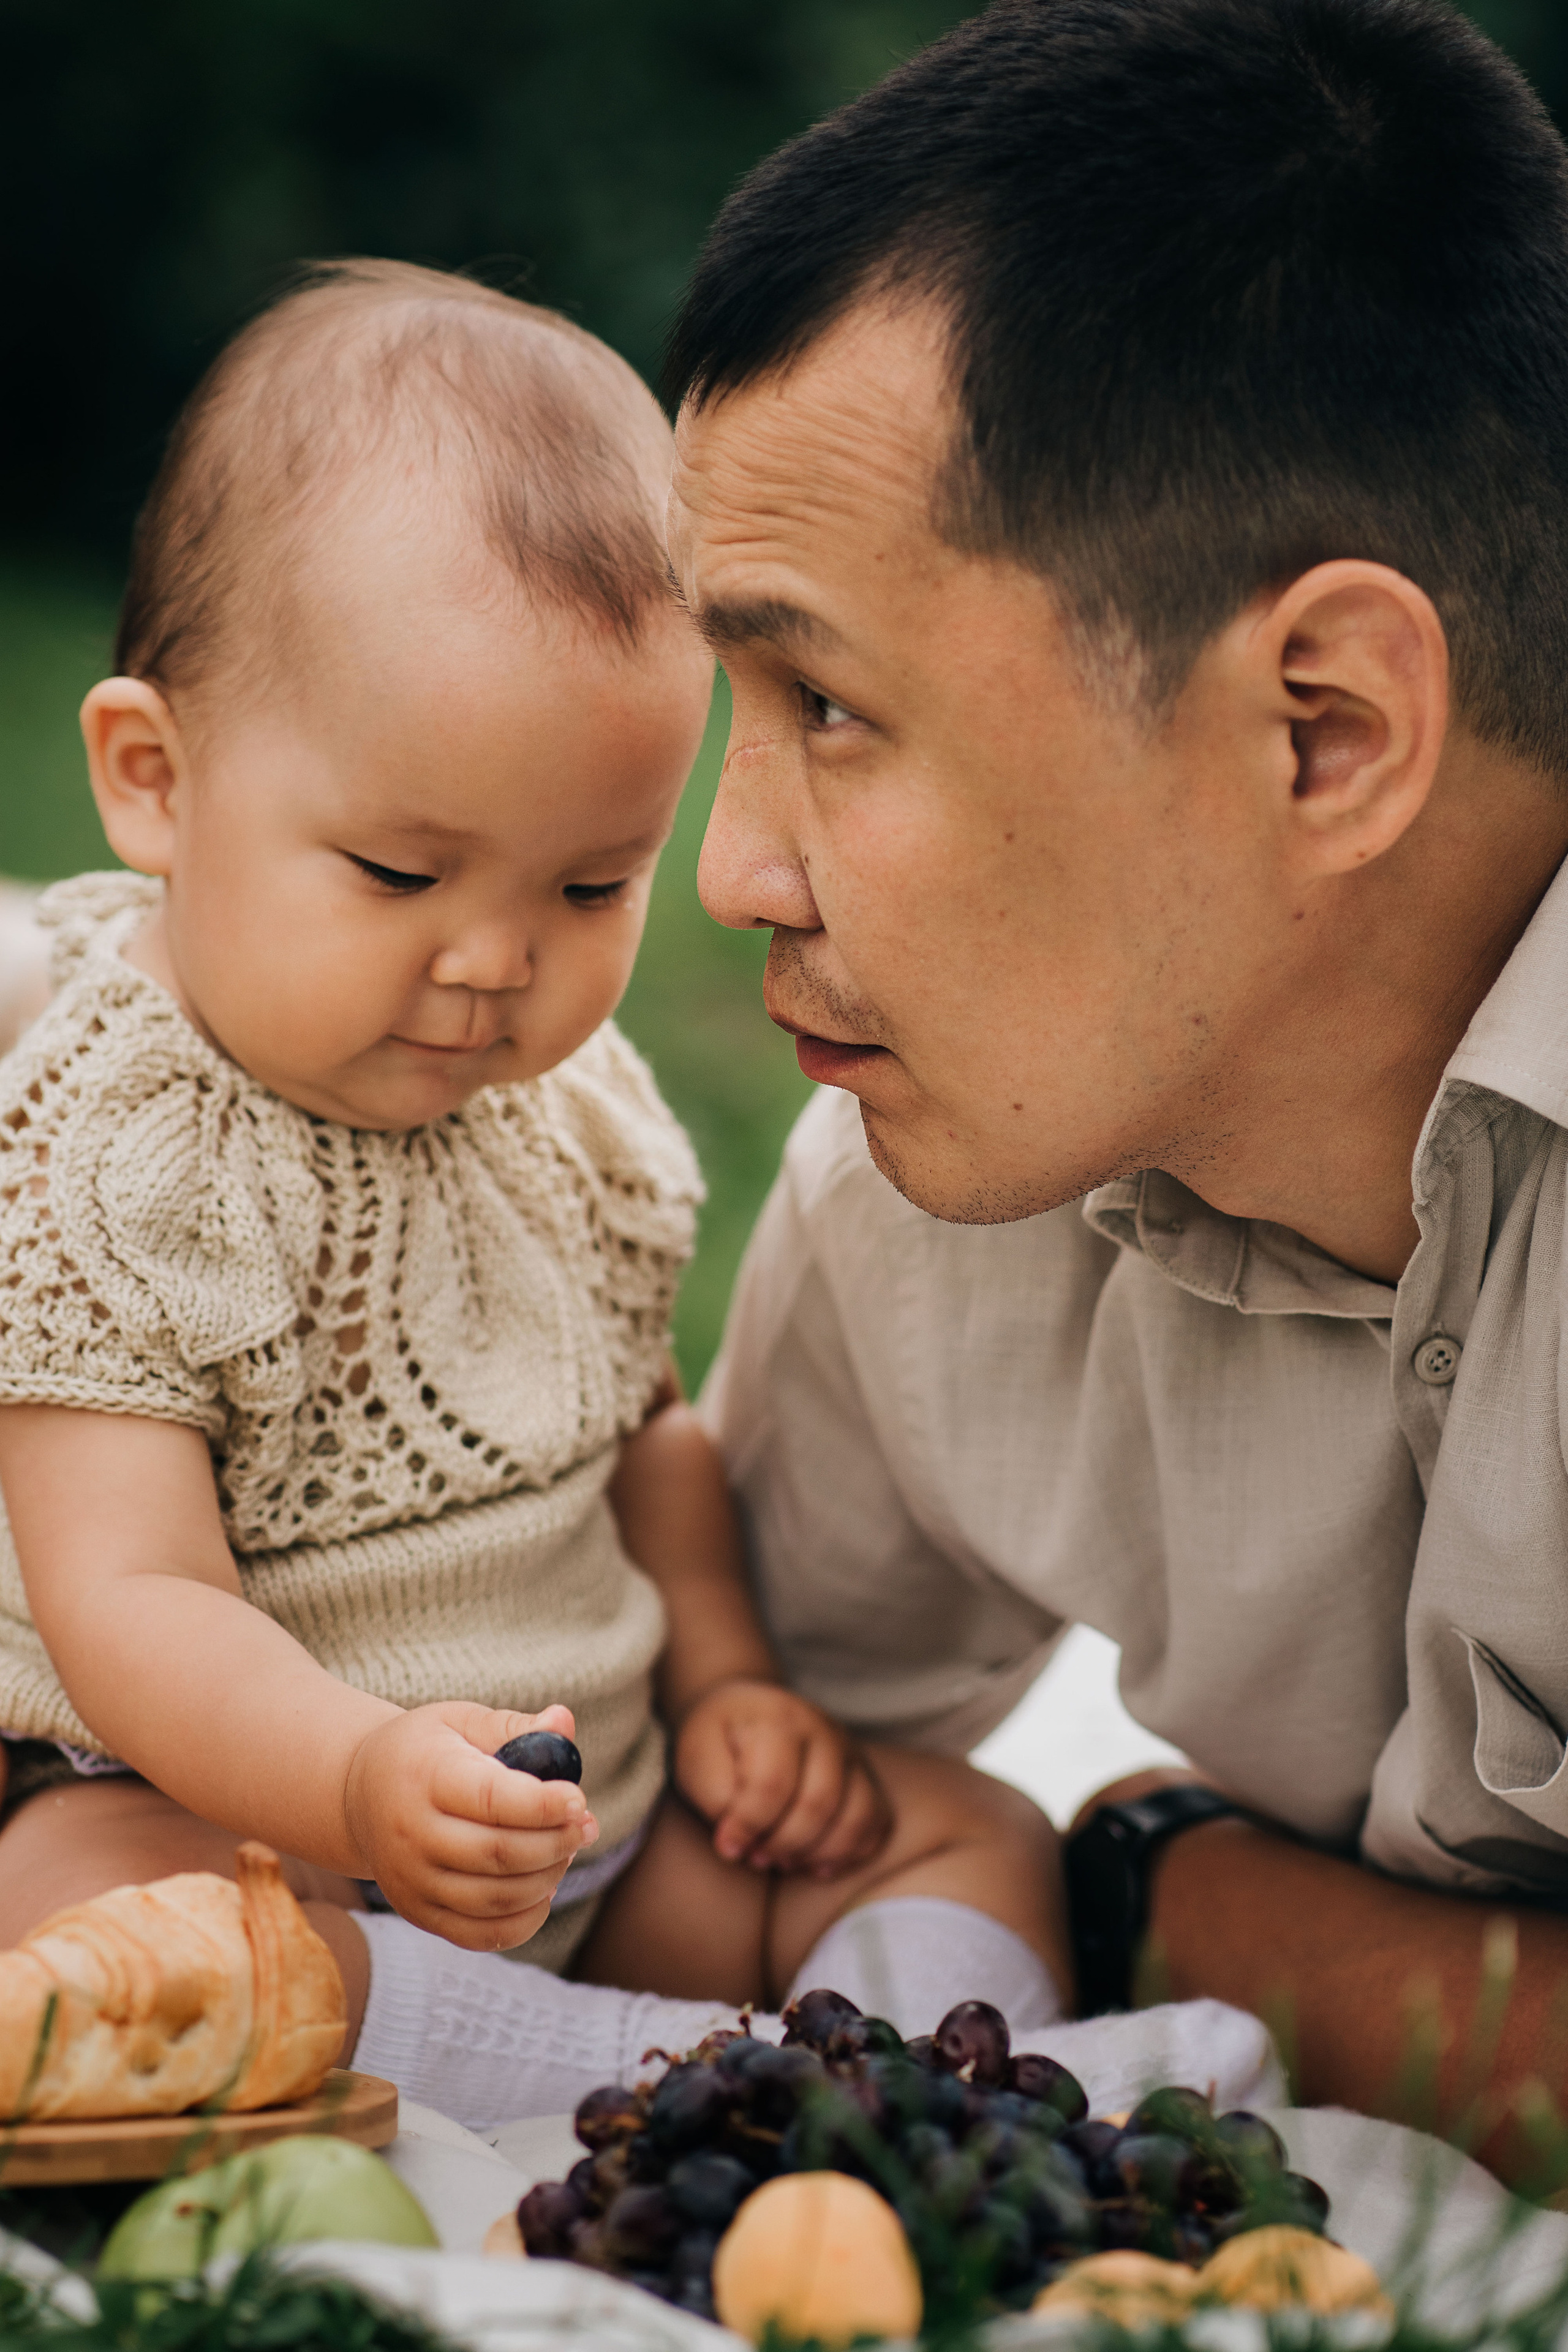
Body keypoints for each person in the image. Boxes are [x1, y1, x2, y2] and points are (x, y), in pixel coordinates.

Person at [0, 258, 1069, 2128]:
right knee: (105, 1936)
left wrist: (730, 1682)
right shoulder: (118, 1139)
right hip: (246, 1811)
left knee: (967, 1824)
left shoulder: (573, 1115)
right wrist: (352, 1782)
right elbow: (133, 1595)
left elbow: (648, 1439)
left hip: (594, 1815)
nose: (497, 963)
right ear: (153, 781)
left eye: (588, 888)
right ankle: (613, 2081)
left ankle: (903, 2104)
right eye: (404, 872)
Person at [666, 0, 1568, 2182]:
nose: (725, 870)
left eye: (827, 705)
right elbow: (710, 1811)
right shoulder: (924, 1185)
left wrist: (1160, 1879)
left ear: (1324, 731)